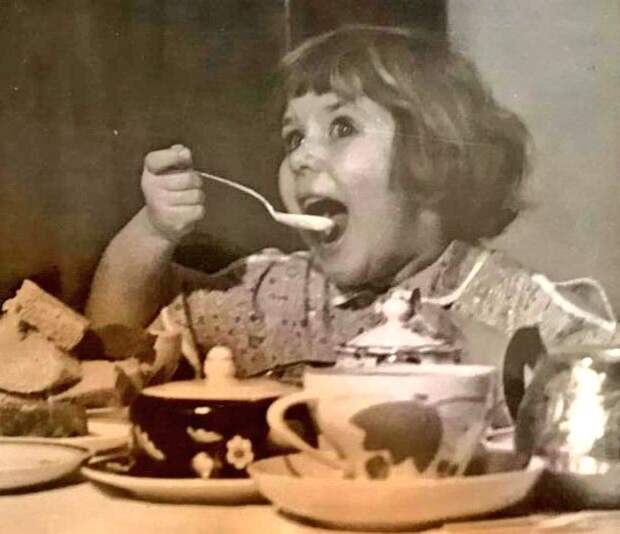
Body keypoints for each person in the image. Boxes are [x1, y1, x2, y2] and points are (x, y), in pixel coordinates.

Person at [86, 25, 616, 385]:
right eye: (293, 138)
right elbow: (116, 341)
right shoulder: (273, 296)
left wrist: (498, 364)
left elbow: (603, 401)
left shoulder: (514, 306)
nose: (301, 157)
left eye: (341, 127)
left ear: (434, 160)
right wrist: (152, 232)